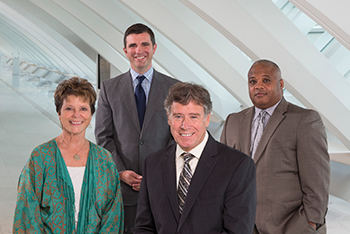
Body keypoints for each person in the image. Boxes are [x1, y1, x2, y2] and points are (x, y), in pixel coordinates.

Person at [221, 59, 330, 234]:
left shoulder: (304, 120)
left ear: (280, 84)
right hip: (242, 225)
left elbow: (317, 181)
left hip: (291, 226)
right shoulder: (233, 121)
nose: (258, 86)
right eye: (252, 81)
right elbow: (223, 175)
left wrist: (311, 222)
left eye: (266, 80)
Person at [134, 82, 257, 234]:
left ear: (207, 119)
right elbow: (143, 226)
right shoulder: (153, 163)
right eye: (178, 116)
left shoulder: (238, 165)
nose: (185, 125)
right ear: (169, 118)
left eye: (193, 117)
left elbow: (238, 230)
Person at [95, 23, 178, 233]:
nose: (138, 51)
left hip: (162, 187)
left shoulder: (174, 88)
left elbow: (177, 135)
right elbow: (104, 136)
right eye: (132, 46)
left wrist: (154, 174)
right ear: (125, 50)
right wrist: (120, 171)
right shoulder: (109, 88)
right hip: (124, 190)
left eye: (144, 44)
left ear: (154, 47)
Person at [13, 77, 123, 233]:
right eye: (69, 108)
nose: (76, 115)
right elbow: (27, 213)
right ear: (59, 113)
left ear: (91, 114)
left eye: (83, 108)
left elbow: (113, 214)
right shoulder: (40, 158)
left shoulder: (104, 160)